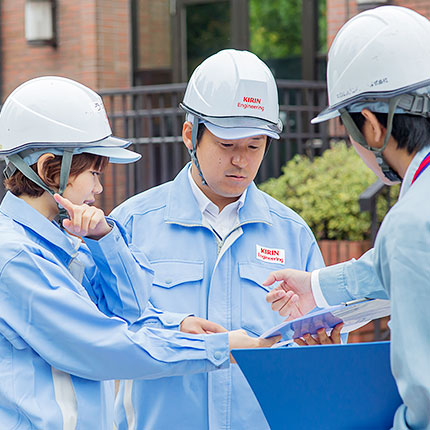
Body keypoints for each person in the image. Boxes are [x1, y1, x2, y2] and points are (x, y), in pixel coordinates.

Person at [0, 76, 274, 430]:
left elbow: (131, 311)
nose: (99, 188)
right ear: (50, 168)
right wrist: (221, 348)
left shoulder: (63, 246)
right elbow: (102, 346)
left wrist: (104, 239)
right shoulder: (15, 257)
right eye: (94, 173)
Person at [111, 49, 342, 430]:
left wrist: (322, 345)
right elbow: (107, 333)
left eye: (254, 146)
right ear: (190, 135)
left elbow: (322, 347)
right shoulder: (131, 225)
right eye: (227, 145)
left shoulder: (292, 232)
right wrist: (176, 329)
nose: (241, 161)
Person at [265, 6, 430, 430]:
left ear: (372, 127)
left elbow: (425, 400)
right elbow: (387, 268)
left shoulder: (412, 221)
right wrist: (316, 288)